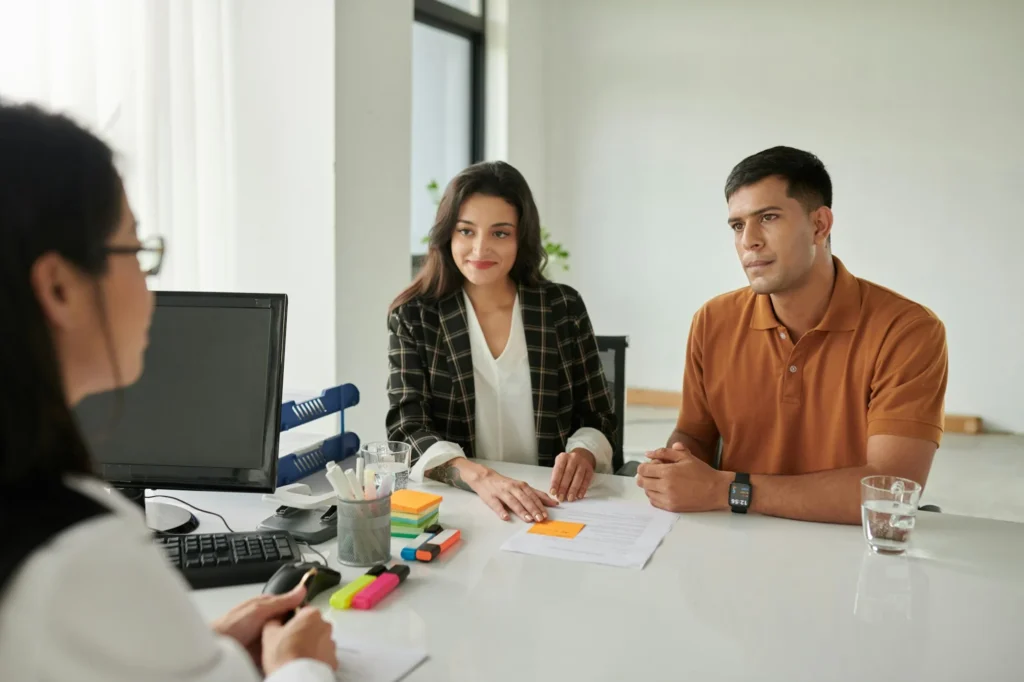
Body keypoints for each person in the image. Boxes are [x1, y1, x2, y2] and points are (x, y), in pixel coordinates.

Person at [0, 103, 338, 681]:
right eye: (134, 251)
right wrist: (299, 667)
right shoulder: (77, 550)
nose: (148, 284)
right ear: (59, 286)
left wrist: (203, 652)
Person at [637, 146, 948, 525]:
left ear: (820, 225)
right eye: (737, 226)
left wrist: (726, 490)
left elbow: (890, 491)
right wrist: (674, 467)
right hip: (733, 541)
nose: (749, 240)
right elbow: (694, 434)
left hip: (851, 557)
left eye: (767, 217)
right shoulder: (712, 320)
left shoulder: (907, 331)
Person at [387, 161, 617, 523]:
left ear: (521, 238)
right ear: (448, 235)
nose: (480, 249)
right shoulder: (415, 317)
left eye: (500, 233)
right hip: (465, 505)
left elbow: (599, 416)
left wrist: (584, 454)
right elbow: (407, 427)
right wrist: (481, 477)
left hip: (556, 505)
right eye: (466, 231)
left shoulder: (561, 307)